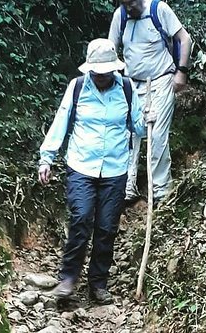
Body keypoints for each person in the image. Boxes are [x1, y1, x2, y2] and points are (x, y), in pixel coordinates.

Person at [38, 38, 155, 304]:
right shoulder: (78, 87)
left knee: (106, 227)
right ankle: (68, 278)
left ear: (114, 69)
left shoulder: (126, 88)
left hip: (115, 169)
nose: (101, 77)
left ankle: (98, 284)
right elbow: (61, 120)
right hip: (81, 165)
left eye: (105, 72)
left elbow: (137, 128)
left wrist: (147, 118)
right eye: (96, 72)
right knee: (80, 218)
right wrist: (47, 158)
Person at [108, 0, 193, 205]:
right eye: (124, 3)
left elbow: (184, 39)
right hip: (131, 84)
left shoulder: (159, 10)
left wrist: (181, 72)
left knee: (156, 135)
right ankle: (127, 187)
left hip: (161, 80)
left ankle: (161, 191)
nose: (128, 7)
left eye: (132, 2)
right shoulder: (121, 16)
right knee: (129, 134)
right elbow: (111, 48)